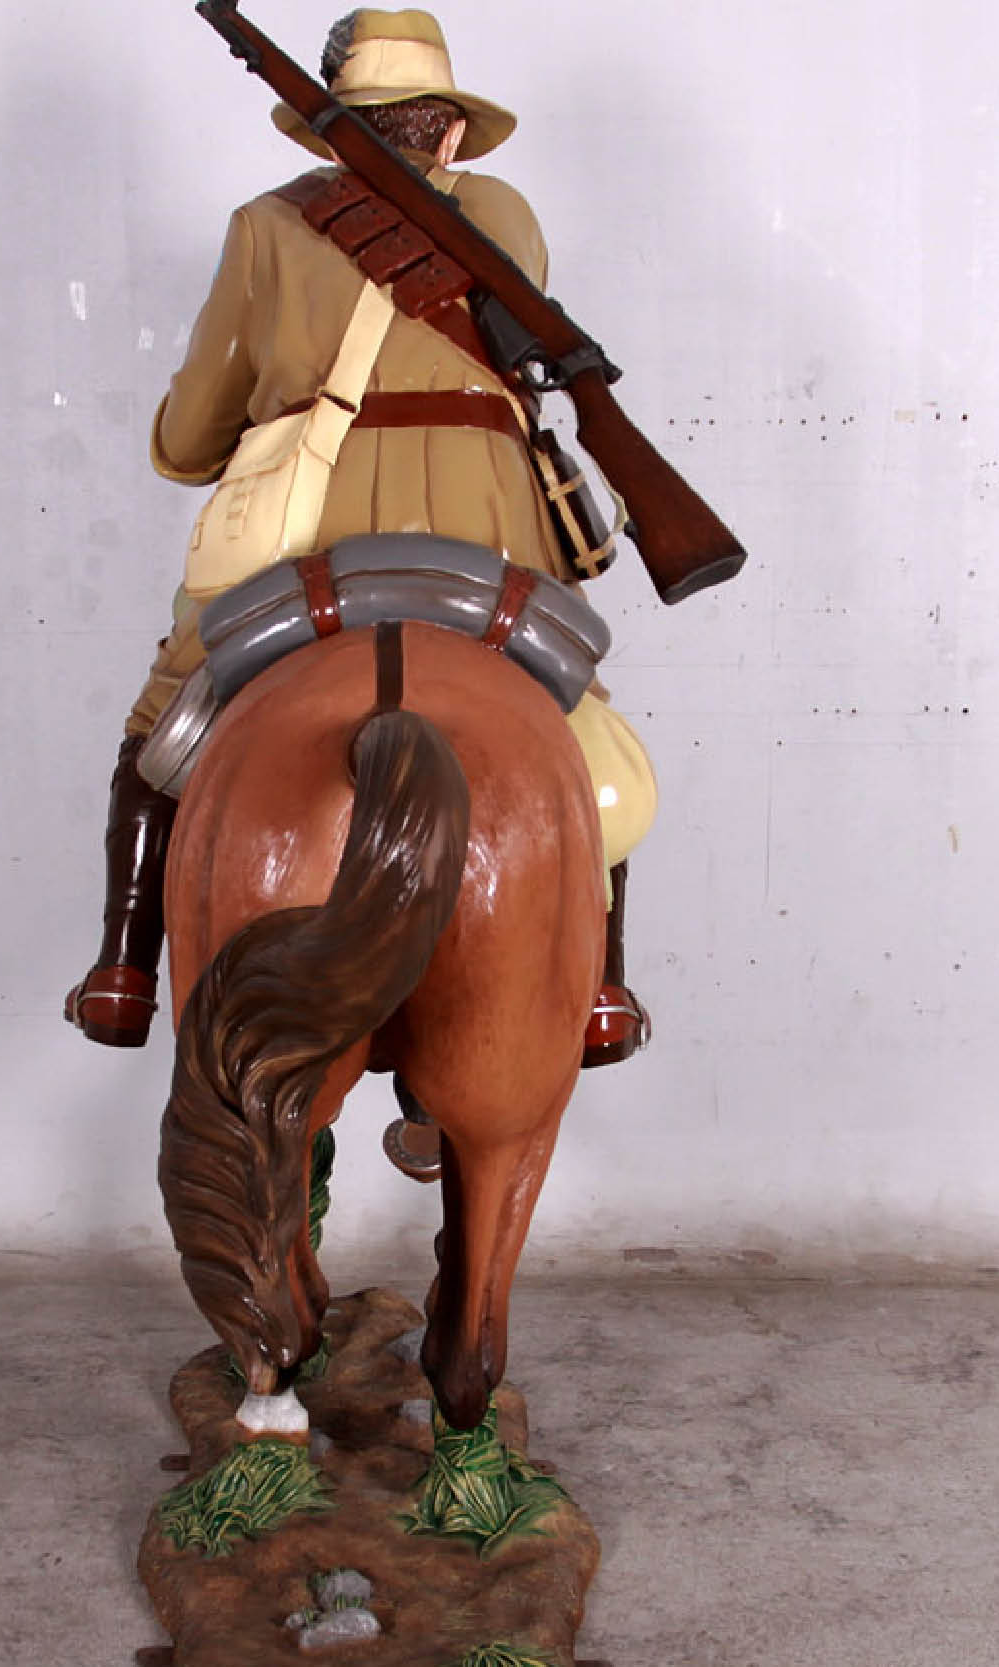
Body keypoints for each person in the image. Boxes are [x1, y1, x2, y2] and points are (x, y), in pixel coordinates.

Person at [66, 7, 655, 1079]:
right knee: (573, 724)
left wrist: (193, 428)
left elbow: (192, 435)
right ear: (449, 137)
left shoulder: (267, 225)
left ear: (333, 131)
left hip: (312, 529)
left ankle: (121, 970)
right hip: (492, 527)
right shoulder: (506, 216)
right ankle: (602, 985)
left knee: (166, 717)